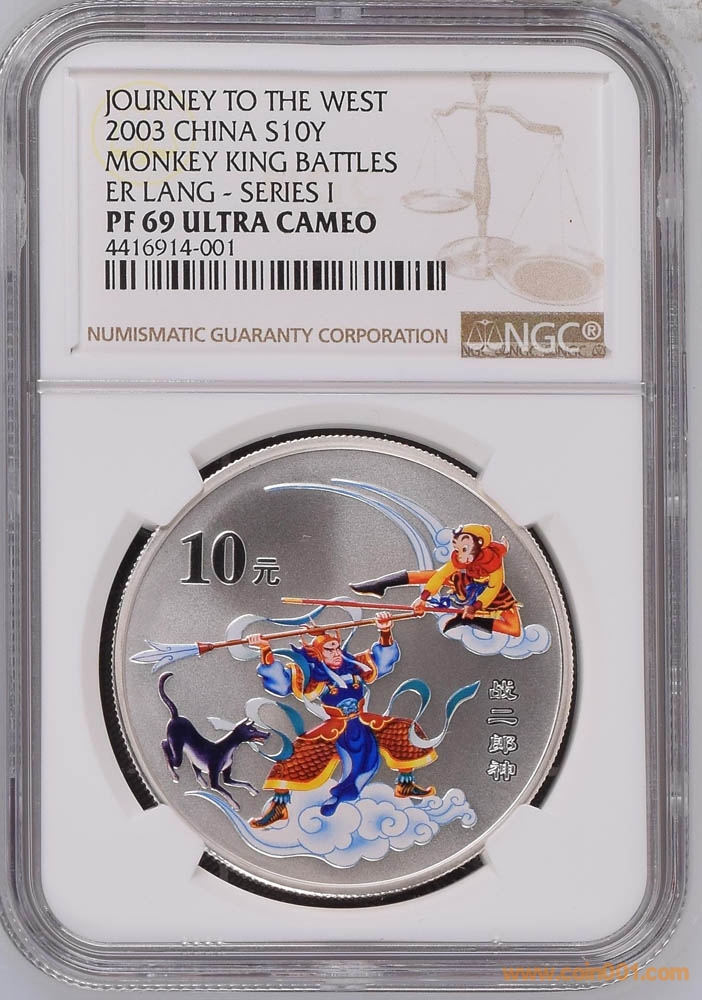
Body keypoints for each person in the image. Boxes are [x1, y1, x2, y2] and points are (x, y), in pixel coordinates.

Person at [246, 612, 437, 829]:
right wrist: (265, 651)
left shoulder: (354, 665)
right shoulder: (310, 675)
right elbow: (281, 684)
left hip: (363, 721)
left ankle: (405, 784)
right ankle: (279, 807)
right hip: (335, 727)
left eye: (337, 648)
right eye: (329, 650)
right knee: (294, 757)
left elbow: (381, 662)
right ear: (319, 654)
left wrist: (385, 631)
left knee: (404, 730)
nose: (336, 653)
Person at [351, 524, 522, 637]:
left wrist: (475, 607)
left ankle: (468, 620)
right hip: (469, 582)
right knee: (434, 574)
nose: (459, 555)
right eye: (457, 549)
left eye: (463, 549)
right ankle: (381, 584)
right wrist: (423, 597)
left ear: (479, 543)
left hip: (491, 593)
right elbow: (441, 575)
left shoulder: (493, 560)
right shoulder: (462, 556)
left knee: (514, 629)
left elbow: (493, 587)